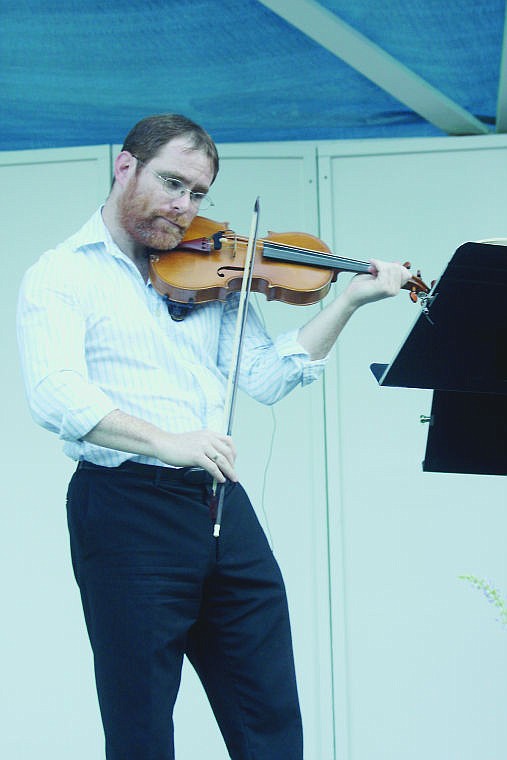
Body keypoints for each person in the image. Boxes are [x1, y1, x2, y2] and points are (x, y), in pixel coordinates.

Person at [17, 113, 411, 760]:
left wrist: (345, 302)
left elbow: (264, 377)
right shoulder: (63, 274)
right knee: (141, 728)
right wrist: (167, 441)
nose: (184, 208)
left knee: (270, 720)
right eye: (172, 184)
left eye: (198, 194)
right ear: (125, 167)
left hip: (218, 502)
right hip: (123, 508)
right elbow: (55, 394)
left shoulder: (212, 273)